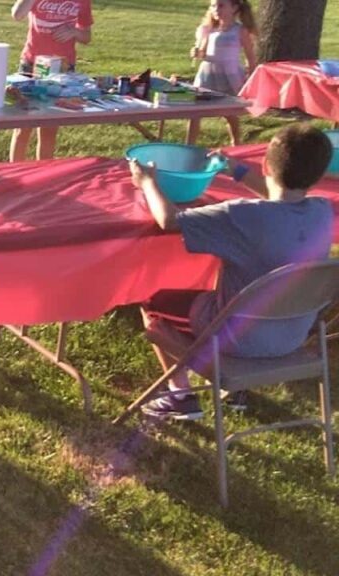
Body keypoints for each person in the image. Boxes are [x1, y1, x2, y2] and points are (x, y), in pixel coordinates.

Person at [130, 123, 334, 420]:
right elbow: (284, 198)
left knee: (153, 302)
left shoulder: (240, 215)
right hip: (292, 335)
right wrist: (237, 171)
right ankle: (236, 391)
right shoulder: (322, 211)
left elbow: (169, 219)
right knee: (235, 283)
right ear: (317, 177)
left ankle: (180, 394)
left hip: (239, 340)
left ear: (265, 163)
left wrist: (147, 182)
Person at [9, 0, 93, 162]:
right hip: (32, 65)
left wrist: (74, 32)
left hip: (62, 67)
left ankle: (44, 172)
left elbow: (87, 36)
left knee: (50, 126)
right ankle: (15, 171)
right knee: (23, 125)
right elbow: (17, 15)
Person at [187, 0, 258, 146]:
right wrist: (197, 53)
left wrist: (251, 75)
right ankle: (189, 144)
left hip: (229, 74)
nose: (216, 9)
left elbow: (250, 56)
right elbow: (203, 53)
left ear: (234, 8)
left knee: (229, 112)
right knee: (195, 111)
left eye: (221, 5)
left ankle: (236, 142)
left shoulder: (239, 30)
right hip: (208, 74)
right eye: (213, 6)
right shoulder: (209, 30)